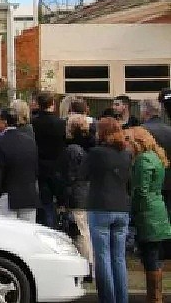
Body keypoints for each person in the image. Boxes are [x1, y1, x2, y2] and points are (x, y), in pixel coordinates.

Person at [84, 117, 133, 303]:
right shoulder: (126, 154)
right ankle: (122, 299)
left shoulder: (96, 153)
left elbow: (83, 174)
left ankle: (108, 299)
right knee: (119, 258)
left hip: (100, 205)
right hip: (122, 207)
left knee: (102, 256)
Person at [127, 126, 170, 303]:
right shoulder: (156, 157)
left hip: (147, 213)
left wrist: (133, 210)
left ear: (137, 141)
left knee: (150, 257)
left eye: (129, 140)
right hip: (158, 209)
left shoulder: (143, 160)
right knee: (154, 256)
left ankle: (154, 297)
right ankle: (155, 296)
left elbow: (140, 191)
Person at [0, 108, 39, 222]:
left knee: (6, 235)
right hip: (28, 195)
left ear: (4, 122)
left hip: (6, 196)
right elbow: (35, 168)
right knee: (27, 234)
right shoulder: (30, 141)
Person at [58, 114, 94, 274]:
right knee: (84, 230)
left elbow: (70, 176)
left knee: (81, 231)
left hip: (77, 195)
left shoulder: (72, 150)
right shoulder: (88, 146)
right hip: (86, 193)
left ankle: (87, 265)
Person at [31, 91, 67, 228]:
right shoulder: (61, 123)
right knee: (59, 202)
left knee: (45, 204)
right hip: (57, 167)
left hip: (40, 167)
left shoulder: (33, 123)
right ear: (53, 104)